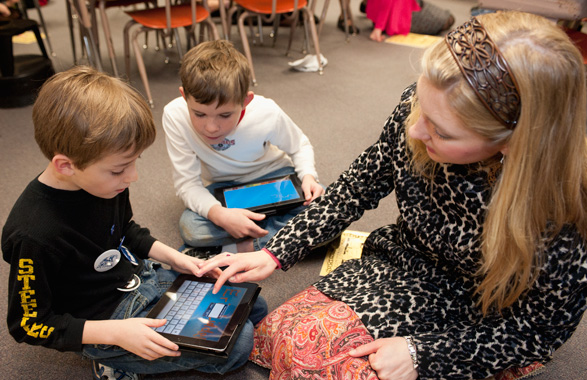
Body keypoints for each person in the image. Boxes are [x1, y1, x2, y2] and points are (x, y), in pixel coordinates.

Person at [197, 11, 587, 379]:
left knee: (323, 366)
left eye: (442, 131)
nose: (415, 131)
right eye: (420, 107)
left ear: (512, 142)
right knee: (279, 338)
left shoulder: (565, 207)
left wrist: (423, 354)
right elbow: (359, 184)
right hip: (405, 264)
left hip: (484, 314)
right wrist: (277, 250)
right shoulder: (419, 112)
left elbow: (537, 331)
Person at [1, 66, 267, 380]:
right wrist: (117, 334)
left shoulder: (100, 183)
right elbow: (28, 324)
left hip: (141, 280)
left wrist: (181, 261)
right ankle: (111, 358)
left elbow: (125, 232)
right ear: (65, 166)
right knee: (240, 343)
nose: (132, 178)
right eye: (119, 170)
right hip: (105, 321)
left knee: (253, 304)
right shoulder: (34, 234)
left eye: (134, 162)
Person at [162, 40, 324, 255]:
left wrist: (308, 177)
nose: (210, 127)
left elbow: (299, 146)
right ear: (184, 97)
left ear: (246, 101)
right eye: (199, 114)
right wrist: (220, 215)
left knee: (327, 210)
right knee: (191, 228)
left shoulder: (266, 111)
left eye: (225, 115)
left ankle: (238, 246)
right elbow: (187, 184)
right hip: (223, 187)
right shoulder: (174, 115)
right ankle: (282, 240)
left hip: (273, 175)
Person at [363, 0, 454, 42]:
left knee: (447, 17)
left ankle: (370, 10)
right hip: (398, 13)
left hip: (398, 7)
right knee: (448, 19)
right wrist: (379, 27)